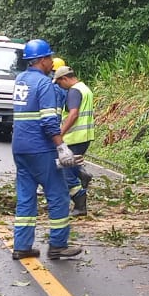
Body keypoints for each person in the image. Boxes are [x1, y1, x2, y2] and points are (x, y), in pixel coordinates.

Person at [10, 39, 81, 260]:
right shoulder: (44, 84)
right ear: (41, 60)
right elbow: (49, 121)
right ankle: (58, 245)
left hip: (20, 148)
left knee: (25, 196)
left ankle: (22, 246)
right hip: (40, 148)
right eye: (50, 57)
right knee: (58, 195)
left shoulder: (21, 80)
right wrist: (61, 147)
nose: (52, 61)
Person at [53, 65, 95, 217]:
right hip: (84, 136)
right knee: (71, 165)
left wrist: (60, 133)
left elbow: (73, 114)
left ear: (64, 79)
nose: (60, 87)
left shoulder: (74, 91)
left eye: (59, 83)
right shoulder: (85, 88)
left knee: (65, 171)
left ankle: (79, 202)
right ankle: (83, 175)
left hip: (73, 137)